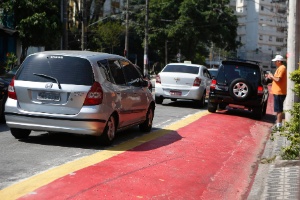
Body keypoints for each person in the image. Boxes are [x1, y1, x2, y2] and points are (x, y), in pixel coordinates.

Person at [267, 55, 287, 129]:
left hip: (279, 92)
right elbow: (276, 80)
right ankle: (278, 124)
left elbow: (278, 80)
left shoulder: (282, 68)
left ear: (279, 61)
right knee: (278, 109)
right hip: (277, 91)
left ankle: (279, 125)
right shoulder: (280, 68)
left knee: (279, 109)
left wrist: (271, 76)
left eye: (275, 61)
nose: (275, 63)